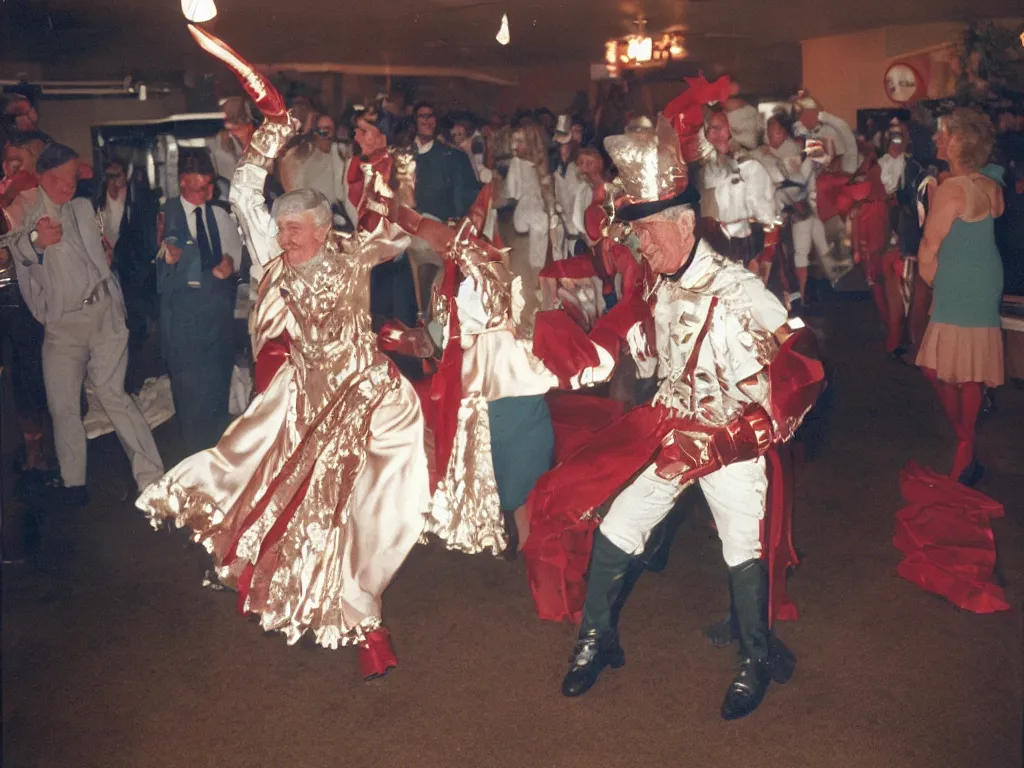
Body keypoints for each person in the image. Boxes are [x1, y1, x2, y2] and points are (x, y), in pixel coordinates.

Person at [523, 114, 824, 719]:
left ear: (686, 225)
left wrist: (745, 434)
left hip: (731, 442)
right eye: (636, 234)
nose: (642, 246)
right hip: (672, 430)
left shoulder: (741, 292)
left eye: (650, 232)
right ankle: (596, 639)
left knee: (743, 547)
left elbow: (806, 366)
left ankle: (756, 657)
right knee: (617, 528)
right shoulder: (659, 284)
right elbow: (641, 339)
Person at [8, 143, 164, 505]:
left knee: (114, 396)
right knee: (62, 405)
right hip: (62, 326)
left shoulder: (79, 207)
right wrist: (37, 242)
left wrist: (114, 200)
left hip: (103, 313)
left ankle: (152, 478)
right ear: (43, 178)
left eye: (73, 178)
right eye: (60, 179)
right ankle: (73, 483)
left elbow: (106, 233)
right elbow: (19, 247)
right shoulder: (28, 212)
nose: (68, 186)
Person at [915, 108, 1005, 485]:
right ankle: (966, 440)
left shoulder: (952, 189)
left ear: (958, 142)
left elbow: (929, 247)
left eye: (943, 134)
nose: (937, 139)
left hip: (958, 281)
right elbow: (995, 212)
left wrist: (937, 284)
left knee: (934, 366)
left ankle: (964, 440)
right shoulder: (988, 184)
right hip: (985, 278)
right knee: (970, 370)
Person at [155, 152, 242, 454]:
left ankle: (218, 462)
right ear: (182, 181)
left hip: (218, 322)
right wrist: (172, 259)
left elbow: (235, 254)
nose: (205, 193)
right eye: (199, 187)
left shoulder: (218, 215)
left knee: (217, 397)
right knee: (191, 404)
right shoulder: (165, 215)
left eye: (209, 187)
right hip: (184, 326)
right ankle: (194, 464)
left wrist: (230, 263)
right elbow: (158, 273)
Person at [1, 132, 50, 478]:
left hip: (22, 297)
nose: (11, 168)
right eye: (8, 161)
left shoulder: (37, 197)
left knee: (29, 376)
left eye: (19, 161)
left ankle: (36, 449)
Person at [407, 101, 480, 316]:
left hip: (441, 230)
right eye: (422, 117)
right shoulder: (402, 156)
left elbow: (465, 196)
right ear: (415, 122)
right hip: (406, 228)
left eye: (431, 116)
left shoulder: (452, 156)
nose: (427, 121)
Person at [758, 115, 824, 307]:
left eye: (775, 132)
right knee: (779, 256)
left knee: (797, 254)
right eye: (769, 132)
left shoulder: (796, 151)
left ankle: (801, 297)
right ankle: (789, 297)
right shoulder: (765, 151)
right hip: (776, 213)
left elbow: (795, 180)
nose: (771, 136)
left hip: (798, 209)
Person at [505, 122, 563, 271]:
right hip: (528, 214)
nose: (515, 146)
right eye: (514, 141)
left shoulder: (542, 163)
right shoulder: (516, 163)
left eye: (520, 141)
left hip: (542, 212)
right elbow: (513, 192)